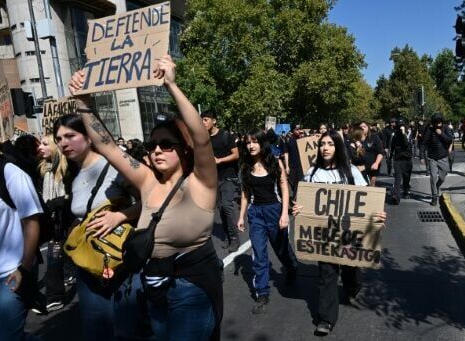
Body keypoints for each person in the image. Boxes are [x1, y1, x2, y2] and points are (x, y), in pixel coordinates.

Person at [69, 55, 223, 340]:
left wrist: (172, 86)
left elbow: (201, 137)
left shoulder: (202, 182)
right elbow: (107, 146)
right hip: (154, 289)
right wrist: (82, 103)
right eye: (152, 144)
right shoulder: (147, 181)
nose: (157, 150)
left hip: (192, 291)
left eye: (167, 145)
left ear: (183, 150)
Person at [53, 115, 148, 340]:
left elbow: (151, 201)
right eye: (58, 138)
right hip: (88, 267)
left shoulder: (114, 167)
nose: (63, 143)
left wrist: (119, 216)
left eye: (70, 136)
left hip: (122, 262)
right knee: (96, 332)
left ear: (88, 137)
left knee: (128, 330)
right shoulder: (70, 175)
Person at [292, 130, 386, 337]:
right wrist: (298, 210)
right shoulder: (312, 174)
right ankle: (326, 319)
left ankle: (353, 286)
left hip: (349, 233)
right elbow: (305, 202)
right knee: (326, 275)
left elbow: (367, 201)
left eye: (330, 144)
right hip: (324, 235)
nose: (325, 148)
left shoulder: (350, 172)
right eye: (322, 144)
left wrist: (377, 215)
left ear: (338, 147)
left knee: (351, 267)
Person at [0, 120, 43, 340]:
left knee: (4, 337)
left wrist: (24, 268)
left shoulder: (6, 172)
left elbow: (31, 220)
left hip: (10, 273)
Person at [237, 127, 298, 315]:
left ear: (262, 143)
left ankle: (291, 266)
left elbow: (284, 188)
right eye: (247, 142)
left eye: (254, 141)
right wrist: (241, 216)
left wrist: (284, 214)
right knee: (259, 253)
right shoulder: (245, 167)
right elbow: (245, 194)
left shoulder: (274, 163)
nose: (251, 145)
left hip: (274, 210)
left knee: (281, 248)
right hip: (256, 214)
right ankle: (262, 292)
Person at [35, 134, 71, 313]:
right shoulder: (44, 170)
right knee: (55, 253)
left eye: (44, 144)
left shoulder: (66, 169)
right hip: (54, 222)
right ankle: (55, 295)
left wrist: (54, 203)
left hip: (67, 220)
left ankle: (55, 297)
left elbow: (70, 196)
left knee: (57, 254)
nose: (40, 147)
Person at [202, 111, 241, 252]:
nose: (203, 123)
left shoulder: (226, 136)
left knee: (226, 206)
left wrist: (219, 160)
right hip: (213, 178)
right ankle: (229, 237)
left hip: (228, 177)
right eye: (202, 120)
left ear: (214, 121)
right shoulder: (204, 138)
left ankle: (235, 238)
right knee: (221, 209)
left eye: (206, 120)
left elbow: (236, 155)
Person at [421, 113, 453, 206]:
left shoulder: (446, 128)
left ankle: (437, 186)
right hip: (432, 158)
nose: (438, 124)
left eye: (439, 122)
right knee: (433, 177)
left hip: (443, 157)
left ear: (442, 122)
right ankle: (434, 197)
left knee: (442, 177)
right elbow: (423, 144)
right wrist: (422, 156)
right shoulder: (430, 130)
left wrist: (441, 134)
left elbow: (449, 140)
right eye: (436, 122)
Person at [390, 118, 413, 204]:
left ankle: (406, 190)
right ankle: (396, 196)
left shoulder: (409, 133)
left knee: (406, 178)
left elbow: (406, 143)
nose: (400, 127)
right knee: (397, 178)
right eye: (399, 126)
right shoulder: (395, 134)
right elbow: (392, 146)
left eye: (402, 125)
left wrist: (403, 133)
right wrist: (390, 157)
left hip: (407, 159)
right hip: (398, 159)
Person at [358, 121, 384, 186]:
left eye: (364, 126)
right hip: (360, 166)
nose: (362, 128)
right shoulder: (355, 139)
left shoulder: (374, 137)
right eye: (361, 127)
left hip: (372, 166)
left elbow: (380, 152)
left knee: (371, 184)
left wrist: (376, 163)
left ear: (368, 128)